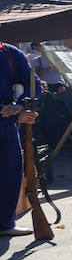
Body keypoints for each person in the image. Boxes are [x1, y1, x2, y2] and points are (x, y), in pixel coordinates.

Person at [0, 42, 36, 237]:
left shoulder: (10, 53)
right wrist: (15, 115)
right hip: (6, 118)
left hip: (5, 126)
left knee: (10, 174)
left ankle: (4, 223)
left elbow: (33, 83)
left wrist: (22, 106)